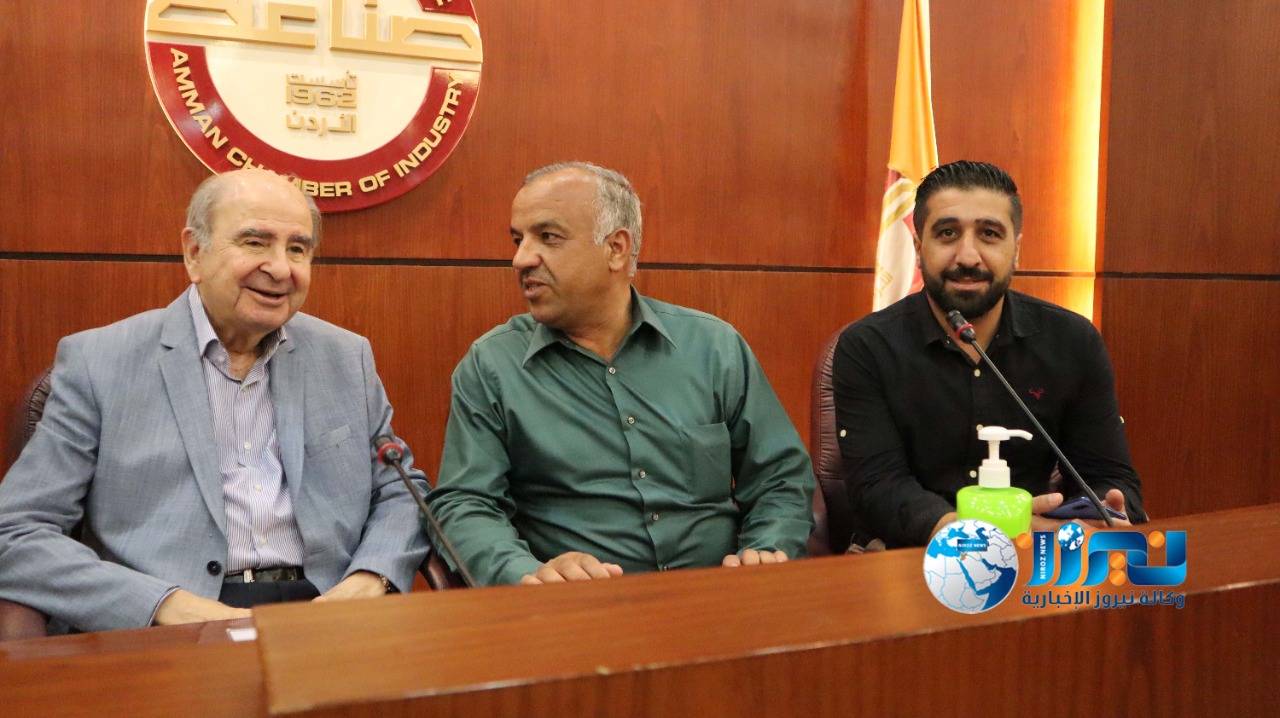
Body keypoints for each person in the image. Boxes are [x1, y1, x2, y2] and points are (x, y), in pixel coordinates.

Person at [0, 169, 430, 633]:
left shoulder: (346, 357)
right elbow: (17, 531)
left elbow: (401, 491)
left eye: (297, 249)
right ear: (194, 252)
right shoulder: (98, 363)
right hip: (170, 623)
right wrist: (165, 605)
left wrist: (370, 577)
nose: (280, 268)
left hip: (324, 612)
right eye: (255, 242)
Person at [430, 162, 814, 586]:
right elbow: (464, 505)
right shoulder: (493, 366)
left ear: (615, 248)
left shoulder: (713, 348)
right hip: (576, 610)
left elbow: (780, 478)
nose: (521, 259)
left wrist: (764, 551)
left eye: (548, 237)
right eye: (518, 240)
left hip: (719, 599)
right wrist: (527, 573)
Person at [833, 160, 1145, 548]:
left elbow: (1110, 478)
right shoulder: (867, 346)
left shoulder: (1073, 342)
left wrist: (1101, 515)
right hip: (904, 555)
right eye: (947, 233)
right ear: (918, 248)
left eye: (989, 234)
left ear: (1016, 250)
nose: (968, 256)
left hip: (1034, 551)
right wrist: (972, 533)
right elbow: (877, 486)